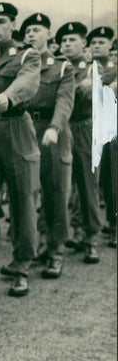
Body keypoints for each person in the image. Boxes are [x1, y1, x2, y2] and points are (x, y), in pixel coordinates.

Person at [0, 2, 41, 297]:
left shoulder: (28, 54)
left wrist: (7, 96)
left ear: (13, 25)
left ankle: (22, 266)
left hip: (16, 127)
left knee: (23, 199)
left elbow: (27, 82)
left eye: (1, 21)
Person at [21, 13, 75, 279]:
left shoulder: (62, 67)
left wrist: (54, 127)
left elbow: (65, 100)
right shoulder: (21, 64)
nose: (31, 35)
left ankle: (55, 250)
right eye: (28, 30)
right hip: (25, 130)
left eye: (36, 30)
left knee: (55, 192)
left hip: (54, 133)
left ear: (48, 34)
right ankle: (33, 247)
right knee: (27, 194)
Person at [57, 21, 102, 264]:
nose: (67, 44)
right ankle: (58, 237)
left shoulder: (92, 68)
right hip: (62, 127)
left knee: (87, 185)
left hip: (83, 127)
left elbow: (86, 91)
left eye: (72, 40)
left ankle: (91, 237)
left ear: (83, 43)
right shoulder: (57, 67)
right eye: (63, 41)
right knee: (59, 186)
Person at [88, 26, 117, 248]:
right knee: (95, 180)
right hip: (90, 128)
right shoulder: (87, 68)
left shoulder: (112, 68)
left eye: (101, 42)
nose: (97, 46)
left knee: (111, 179)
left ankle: (113, 226)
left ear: (110, 45)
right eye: (93, 42)